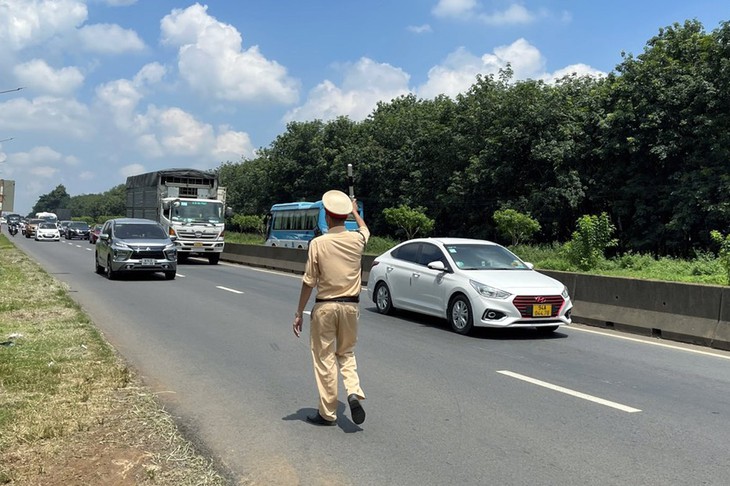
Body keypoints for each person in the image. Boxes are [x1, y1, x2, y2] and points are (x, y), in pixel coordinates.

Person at [293, 189, 369, 426]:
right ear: (345, 216)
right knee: (346, 353)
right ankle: (353, 391)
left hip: (325, 307)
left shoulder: (318, 243)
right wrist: (356, 213)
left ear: (326, 215)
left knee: (324, 357)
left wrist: (299, 312)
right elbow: (366, 230)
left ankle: (327, 413)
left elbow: (309, 281)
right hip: (351, 307)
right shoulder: (357, 240)